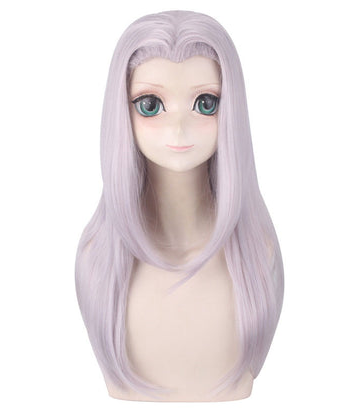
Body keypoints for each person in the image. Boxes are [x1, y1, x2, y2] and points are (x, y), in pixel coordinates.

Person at [75, 10, 284, 402]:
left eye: (205, 103)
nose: (178, 129)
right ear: (123, 111)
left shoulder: (258, 255)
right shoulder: (97, 259)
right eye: (151, 105)